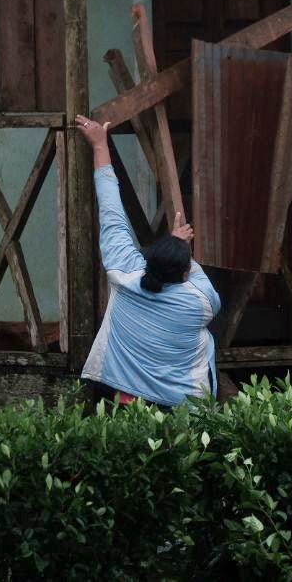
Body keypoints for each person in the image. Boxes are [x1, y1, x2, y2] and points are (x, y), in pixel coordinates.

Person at [72, 113, 221, 407]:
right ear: (184, 272)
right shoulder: (200, 299)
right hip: (179, 406)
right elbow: (194, 273)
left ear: (149, 258)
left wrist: (100, 146)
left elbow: (111, 209)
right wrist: (180, 244)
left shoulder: (124, 272)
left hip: (121, 393)